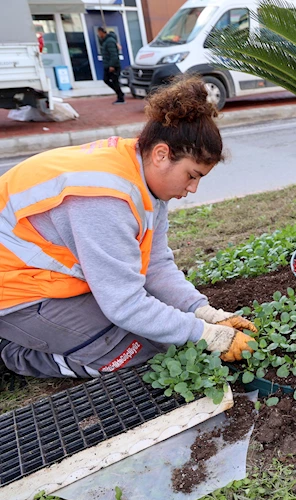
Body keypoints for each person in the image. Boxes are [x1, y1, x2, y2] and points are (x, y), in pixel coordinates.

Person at [0, 77, 255, 380]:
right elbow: (124, 304)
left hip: (53, 280)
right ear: (162, 154)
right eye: (191, 175)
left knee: (161, 335)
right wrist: (207, 335)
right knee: (139, 354)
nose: (193, 188)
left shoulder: (142, 174)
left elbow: (156, 266)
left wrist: (203, 313)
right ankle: (14, 352)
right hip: (18, 293)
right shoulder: (104, 198)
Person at [97, 27, 125, 104]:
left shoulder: (110, 41)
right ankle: (120, 93)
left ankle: (120, 97)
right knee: (106, 79)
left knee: (115, 81)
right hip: (108, 64)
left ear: (102, 32)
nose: (98, 35)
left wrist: (112, 65)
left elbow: (113, 54)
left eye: (99, 33)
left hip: (113, 65)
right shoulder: (106, 41)